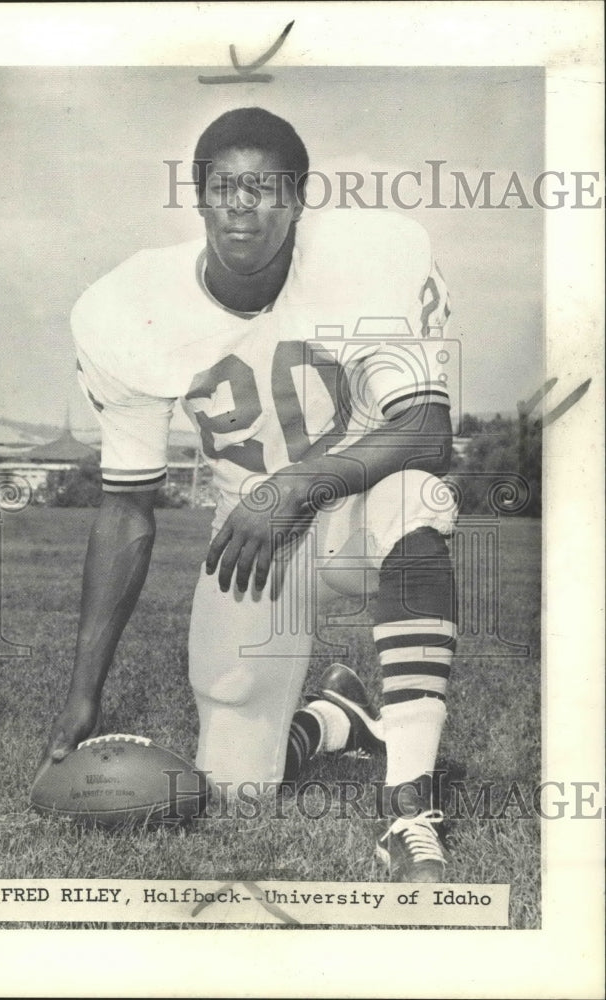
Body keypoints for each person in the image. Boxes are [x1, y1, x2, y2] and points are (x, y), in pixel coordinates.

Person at [43, 107, 459, 882]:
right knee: (236, 785)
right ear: (198, 198)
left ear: (299, 200)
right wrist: (82, 692)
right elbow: (127, 508)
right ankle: (333, 719)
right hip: (254, 543)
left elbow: (428, 430)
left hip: (357, 505)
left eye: (266, 189)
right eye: (224, 187)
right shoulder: (125, 306)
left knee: (418, 499)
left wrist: (296, 486)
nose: (243, 205)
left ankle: (409, 809)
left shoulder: (371, 254)